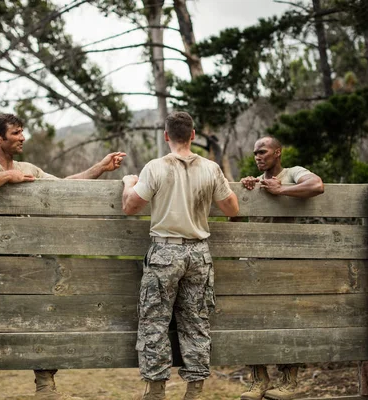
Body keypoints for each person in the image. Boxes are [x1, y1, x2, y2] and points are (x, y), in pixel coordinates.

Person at [0, 113, 126, 400]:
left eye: (22, 132)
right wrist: (8, 176)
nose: (22, 137)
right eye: (15, 133)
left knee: (43, 315)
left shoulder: (28, 168)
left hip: (30, 261)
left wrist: (99, 167)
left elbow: (63, 185)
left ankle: (45, 384)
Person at [121, 111, 239, 400]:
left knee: (154, 322)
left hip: (165, 252)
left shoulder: (155, 168)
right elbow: (232, 209)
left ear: (166, 136)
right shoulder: (211, 169)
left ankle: (156, 392)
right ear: (193, 135)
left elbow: (130, 207)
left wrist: (127, 182)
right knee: (195, 321)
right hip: (199, 254)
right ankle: (194, 392)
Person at [239, 136, 324, 400]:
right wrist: (245, 192)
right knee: (250, 322)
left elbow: (317, 185)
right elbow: (234, 218)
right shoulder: (254, 180)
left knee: (287, 319)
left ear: (277, 152)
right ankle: (258, 380)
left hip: (284, 262)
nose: (257, 156)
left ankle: (288, 381)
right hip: (253, 263)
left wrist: (281, 190)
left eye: (262, 151)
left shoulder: (293, 173)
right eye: (254, 153)